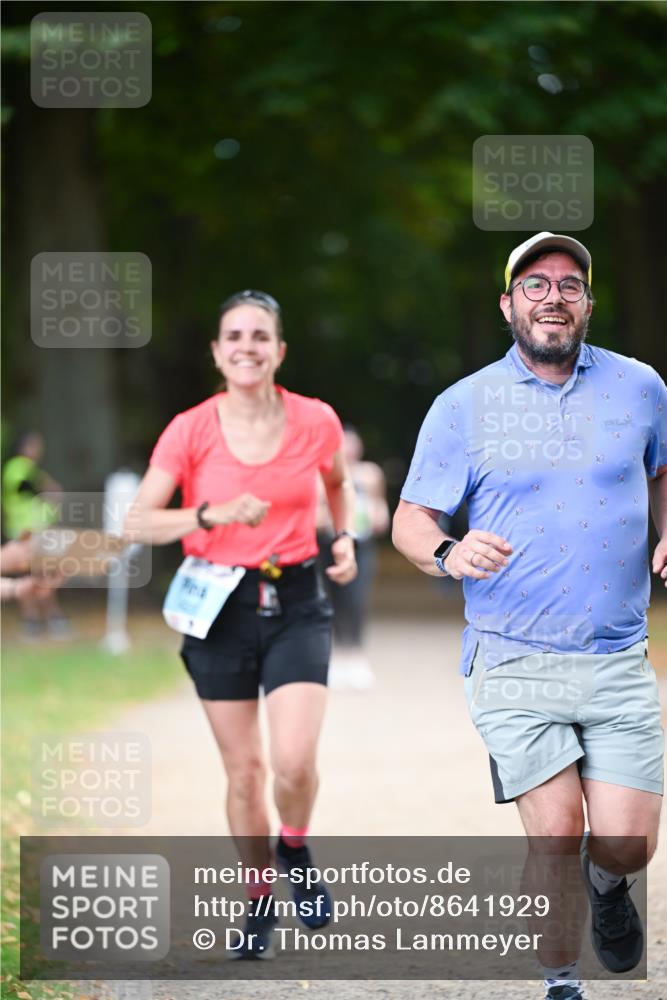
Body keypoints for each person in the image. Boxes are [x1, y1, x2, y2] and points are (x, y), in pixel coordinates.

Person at [393, 232, 666, 1000]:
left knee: (625, 846)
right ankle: (559, 984)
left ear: (586, 302)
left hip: (616, 657)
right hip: (511, 655)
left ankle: (609, 891)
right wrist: (448, 551)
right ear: (508, 303)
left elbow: (661, 468)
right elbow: (409, 520)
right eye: (535, 284)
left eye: (569, 284)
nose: (553, 296)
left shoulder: (640, 387)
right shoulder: (463, 405)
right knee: (554, 835)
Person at [125, 289, 357, 959]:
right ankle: (258, 900)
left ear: (278, 350)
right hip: (216, 607)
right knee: (244, 773)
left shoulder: (315, 420)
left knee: (291, 762)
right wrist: (210, 515)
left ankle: (293, 846)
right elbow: (138, 521)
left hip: (296, 602)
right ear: (217, 352)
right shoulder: (189, 428)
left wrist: (341, 538)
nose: (247, 346)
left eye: (260, 336)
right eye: (234, 336)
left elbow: (337, 483)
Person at [317, 426, 389, 689]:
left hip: (362, 545)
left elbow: (380, 507)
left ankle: (356, 656)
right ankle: (336, 657)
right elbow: (314, 514)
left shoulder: (370, 474)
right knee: (331, 601)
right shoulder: (321, 475)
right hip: (329, 546)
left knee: (357, 601)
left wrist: (377, 516)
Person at [2, 431, 69, 638]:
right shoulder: (18, 468)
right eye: (34, 445)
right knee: (37, 576)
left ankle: (45, 619)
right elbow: (28, 490)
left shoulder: (31, 469)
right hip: (25, 533)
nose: (38, 449)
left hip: (35, 532)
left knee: (40, 576)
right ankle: (38, 620)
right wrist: (49, 490)